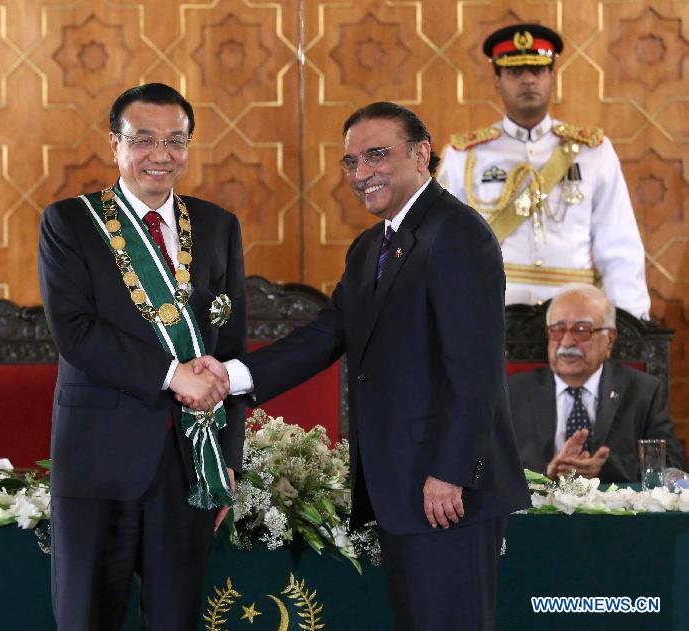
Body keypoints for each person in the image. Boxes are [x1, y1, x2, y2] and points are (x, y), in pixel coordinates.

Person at [188, 102, 530, 631]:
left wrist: (449, 472)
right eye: (351, 162)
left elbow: (475, 371)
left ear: (421, 154)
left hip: (446, 492)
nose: (362, 173)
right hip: (402, 490)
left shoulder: (457, 235)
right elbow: (330, 334)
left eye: (376, 155)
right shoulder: (371, 246)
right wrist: (232, 376)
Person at [38, 83, 247, 630]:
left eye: (176, 141)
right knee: (87, 617)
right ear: (115, 144)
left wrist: (227, 456)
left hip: (188, 461)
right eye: (145, 140)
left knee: (176, 618)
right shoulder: (69, 223)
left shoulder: (218, 226)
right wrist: (173, 373)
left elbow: (231, 349)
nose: (162, 154)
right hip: (96, 459)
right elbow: (76, 334)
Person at [437, 23, 650, 319]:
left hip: (577, 318)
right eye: (514, 72)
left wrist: (629, 322)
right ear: (496, 80)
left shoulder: (593, 152)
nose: (527, 80)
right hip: (490, 314)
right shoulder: (465, 155)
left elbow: (619, 248)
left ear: (552, 77)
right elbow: (443, 249)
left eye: (537, 70)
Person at [509, 283, 684, 482]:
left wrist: (604, 468)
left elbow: (672, 465)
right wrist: (548, 471)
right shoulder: (513, 391)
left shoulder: (644, 391)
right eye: (557, 330)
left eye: (582, 330)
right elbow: (490, 463)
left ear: (609, 339)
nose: (567, 342)